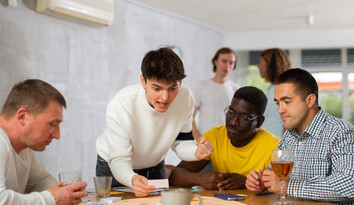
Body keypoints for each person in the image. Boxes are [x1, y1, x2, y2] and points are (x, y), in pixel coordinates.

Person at [96, 48, 213, 197]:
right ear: (143, 81)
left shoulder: (185, 97)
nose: (165, 97)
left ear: (181, 83)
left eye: (172, 88)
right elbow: (119, 159)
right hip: (115, 166)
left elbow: (182, 141)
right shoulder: (121, 105)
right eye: (157, 88)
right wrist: (132, 179)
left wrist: (196, 152)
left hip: (155, 164)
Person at [245, 68, 354, 205]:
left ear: (310, 100)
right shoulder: (288, 137)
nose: (280, 110)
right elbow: (277, 181)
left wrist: (288, 186)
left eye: (287, 102)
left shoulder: (342, 132)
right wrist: (262, 185)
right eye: (278, 103)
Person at [0, 79, 88, 205]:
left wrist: (64, 193)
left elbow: (41, 180)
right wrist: (51, 199)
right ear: (23, 116)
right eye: (52, 124)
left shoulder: (23, 148)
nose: (57, 135)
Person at [170, 86, 280, 190]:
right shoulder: (215, 137)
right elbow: (175, 175)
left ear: (259, 122)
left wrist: (247, 182)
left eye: (244, 117)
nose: (234, 122)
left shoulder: (274, 146)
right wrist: (200, 179)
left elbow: (283, 187)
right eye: (231, 112)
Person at [192, 47, 240, 141]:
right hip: (206, 142)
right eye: (224, 61)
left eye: (231, 62)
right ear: (215, 61)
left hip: (229, 143)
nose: (227, 65)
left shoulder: (236, 89)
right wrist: (199, 139)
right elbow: (190, 117)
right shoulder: (202, 86)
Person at [258, 48, 291, 137]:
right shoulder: (272, 89)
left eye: (261, 63)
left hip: (278, 146)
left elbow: (290, 121)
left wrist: (282, 147)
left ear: (270, 66)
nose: (258, 66)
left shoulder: (284, 89)